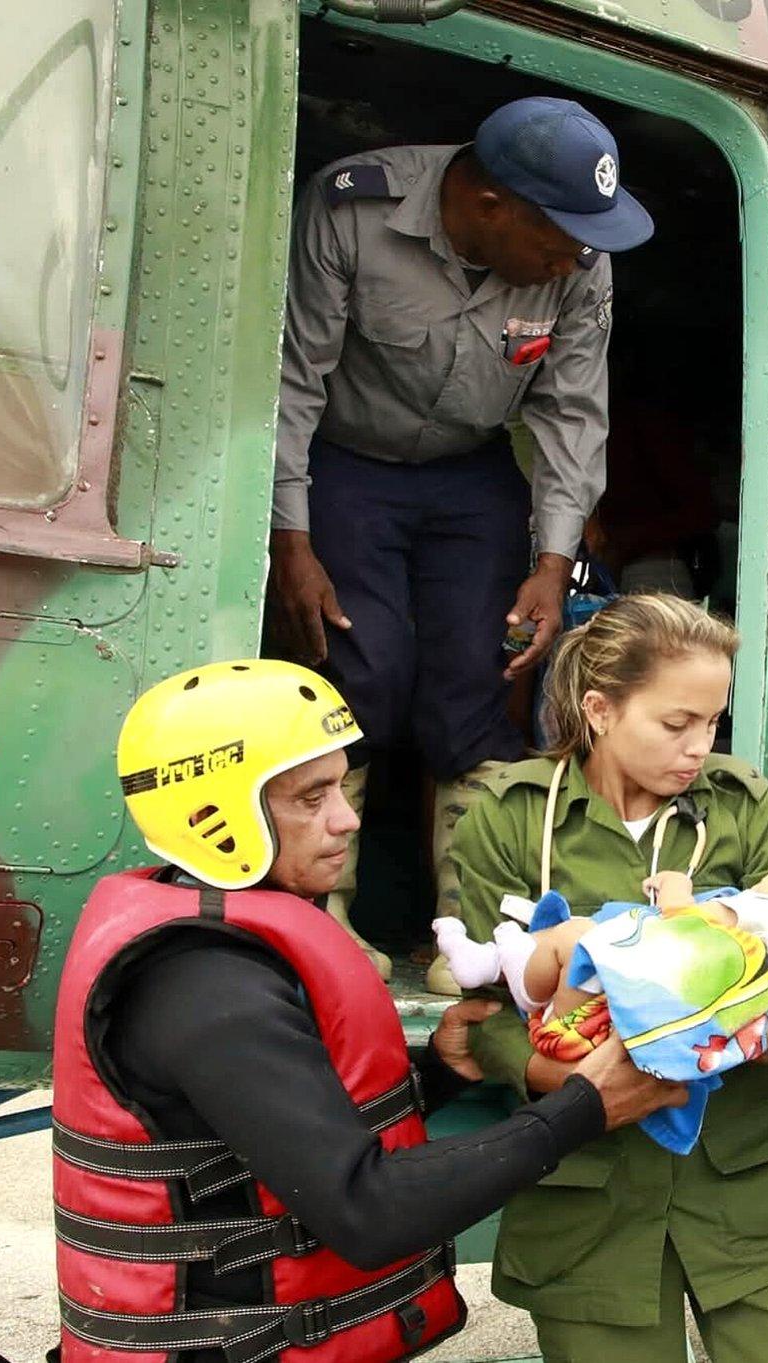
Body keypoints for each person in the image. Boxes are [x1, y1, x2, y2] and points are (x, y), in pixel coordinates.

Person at [49, 660, 685, 1363]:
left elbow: (268, 1123)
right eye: (311, 796)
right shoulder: (204, 986)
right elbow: (369, 1210)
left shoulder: (214, 939)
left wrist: (438, 1072)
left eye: (342, 785)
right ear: (214, 816)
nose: (348, 817)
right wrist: (584, 1107)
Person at [267, 94, 652, 983]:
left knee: (482, 679)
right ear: (488, 205)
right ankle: (323, 929)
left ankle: (471, 937)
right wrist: (292, 537)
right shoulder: (352, 208)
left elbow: (571, 410)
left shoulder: (578, 258)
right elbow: (293, 378)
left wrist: (553, 564)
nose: (575, 256)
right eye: (557, 236)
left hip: (471, 472)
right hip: (346, 463)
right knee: (361, 666)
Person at [449, 593, 768, 1362]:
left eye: (712, 722)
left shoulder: (740, 807)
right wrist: (568, 1078)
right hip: (587, 1187)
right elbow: (486, 1015)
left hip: (744, 1177)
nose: (700, 746)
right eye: (676, 723)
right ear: (599, 709)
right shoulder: (509, 816)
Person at [431, 862, 768, 1014]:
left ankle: (498, 969)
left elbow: (685, 923)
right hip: (630, 1000)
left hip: (609, 974)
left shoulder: (762, 914)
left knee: (573, 936)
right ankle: (501, 961)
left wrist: (675, 884)